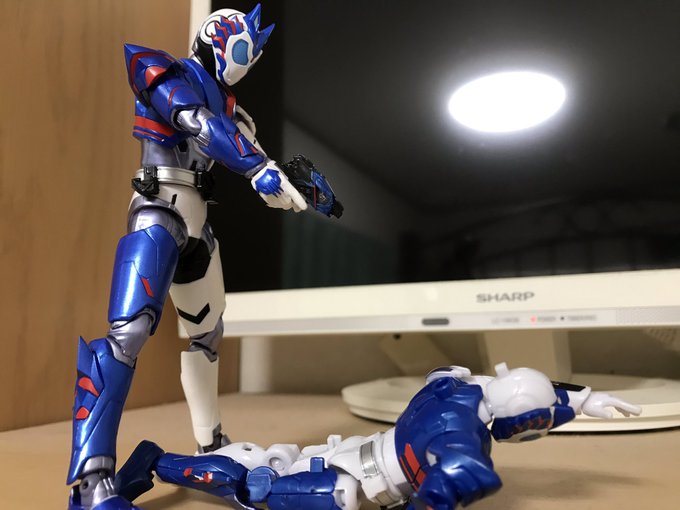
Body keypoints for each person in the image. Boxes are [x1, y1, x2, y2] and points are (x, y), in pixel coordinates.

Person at [67, 5, 311, 509]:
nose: (245, 62)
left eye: (252, 55)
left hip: (198, 224)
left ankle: (211, 445)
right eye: (242, 49)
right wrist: (257, 168)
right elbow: (196, 123)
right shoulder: (160, 69)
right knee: (128, 333)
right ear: (215, 37)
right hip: (158, 210)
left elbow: (239, 143)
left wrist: (286, 182)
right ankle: (92, 481)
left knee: (208, 334)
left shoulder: (231, 107)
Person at [114, 362, 642, 510]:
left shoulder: (458, 387)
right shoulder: (460, 438)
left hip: (356, 453)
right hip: (352, 481)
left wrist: (584, 399)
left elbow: (519, 392)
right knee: (255, 490)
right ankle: (156, 462)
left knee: (263, 465)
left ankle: (160, 461)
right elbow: (448, 484)